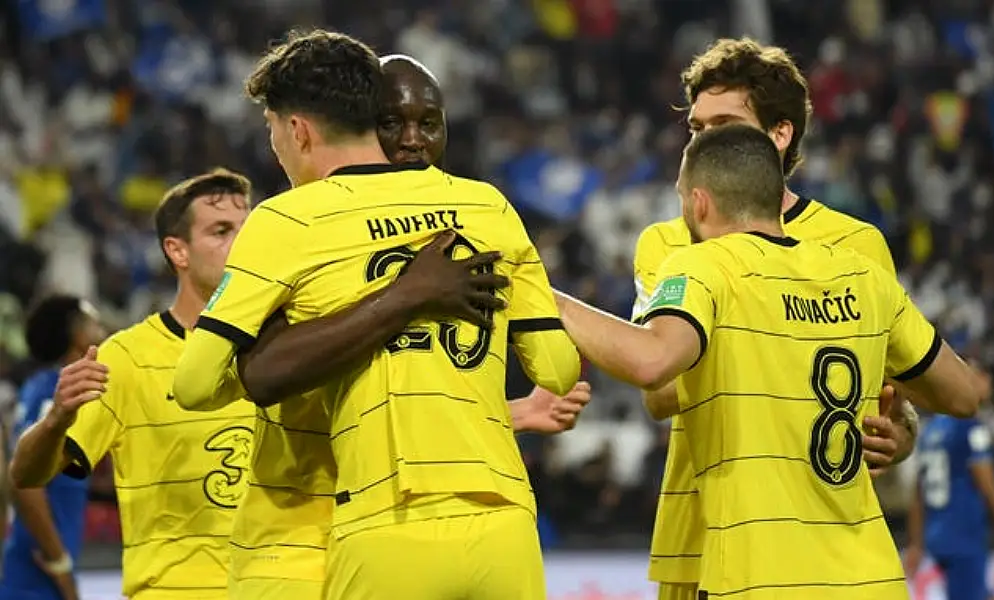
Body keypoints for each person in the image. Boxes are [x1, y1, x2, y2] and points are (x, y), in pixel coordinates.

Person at [172, 29, 580, 600]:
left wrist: (281, 349)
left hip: (382, 518)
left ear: (296, 130)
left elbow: (194, 384)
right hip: (506, 518)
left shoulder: (290, 220)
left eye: (271, 134)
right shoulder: (488, 205)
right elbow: (558, 370)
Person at [556, 123, 984, 599]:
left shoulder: (704, 266)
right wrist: (902, 421)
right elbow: (964, 395)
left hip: (758, 575)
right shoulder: (864, 275)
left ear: (699, 202)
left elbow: (653, 362)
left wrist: (550, 300)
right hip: (870, 578)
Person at [631, 38, 919, 600]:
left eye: (724, 123)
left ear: (780, 134)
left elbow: (895, 398)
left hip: (831, 540)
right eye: (696, 128)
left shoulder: (859, 246)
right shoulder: (667, 243)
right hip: (703, 532)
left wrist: (900, 436)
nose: (705, 140)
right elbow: (660, 392)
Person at [240, 52, 591, 435]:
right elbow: (261, 377)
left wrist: (511, 414)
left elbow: (557, 371)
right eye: (391, 123)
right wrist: (409, 293)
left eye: (429, 124)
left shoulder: (483, 214)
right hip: (309, 482)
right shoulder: (300, 223)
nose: (413, 141)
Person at [9, 170, 258, 600]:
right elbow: (26, 474)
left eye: (247, 229)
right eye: (221, 231)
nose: (242, 244)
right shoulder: (125, 358)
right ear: (177, 251)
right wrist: (56, 420)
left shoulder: (289, 345)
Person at [0, 295, 106, 600]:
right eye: (92, 320)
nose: (101, 328)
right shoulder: (55, 393)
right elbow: (23, 485)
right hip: (37, 577)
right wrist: (60, 565)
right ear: (76, 333)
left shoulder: (47, 386)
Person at [904, 367, 994, 600]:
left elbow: (918, 493)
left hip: (937, 535)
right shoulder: (970, 428)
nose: (986, 382)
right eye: (979, 375)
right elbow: (986, 484)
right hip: (964, 535)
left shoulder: (931, 431)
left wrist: (916, 543)